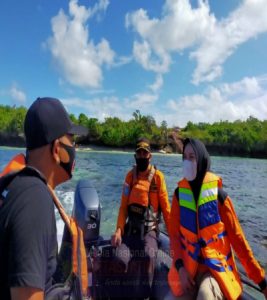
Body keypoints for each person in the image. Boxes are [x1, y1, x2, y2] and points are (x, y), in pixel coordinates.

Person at [0, 97, 89, 300]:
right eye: (72, 141)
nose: (74, 149)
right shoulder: (34, 198)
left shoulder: (20, 187)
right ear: (57, 149)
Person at [168, 138, 267, 300]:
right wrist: (180, 268)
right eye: (184, 157)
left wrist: (262, 282)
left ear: (201, 159)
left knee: (206, 295)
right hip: (188, 270)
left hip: (215, 271)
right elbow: (173, 235)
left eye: (192, 157)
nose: (187, 161)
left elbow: (239, 243)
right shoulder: (179, 195)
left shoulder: (220, 197)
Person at [110, 137, 171, 299]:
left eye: (145, 153)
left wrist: (176, 236)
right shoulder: (130, 177)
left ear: (150, 156)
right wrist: (118, 230)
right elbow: (123, 207)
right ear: (135, 156)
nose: (142, 156)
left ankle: (146, 295)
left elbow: (166, 210)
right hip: (130, 231)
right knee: (118, 258)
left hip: (149, 231)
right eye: (139, 153)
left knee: (149, 254)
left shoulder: (158, 178)